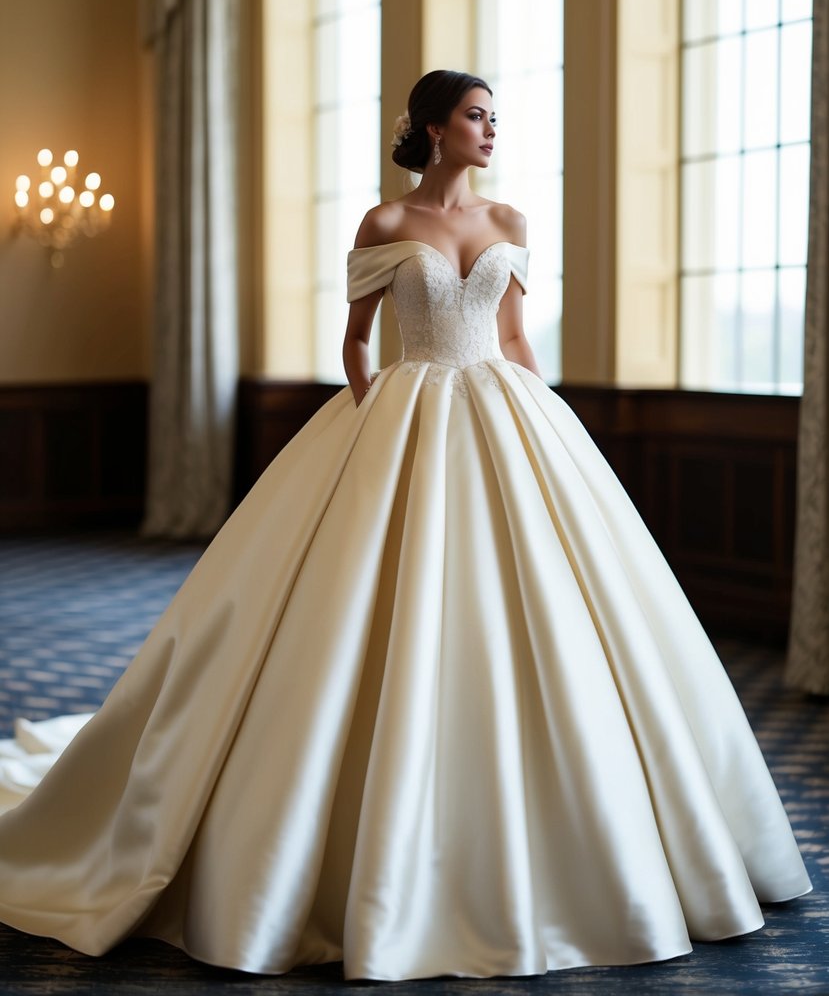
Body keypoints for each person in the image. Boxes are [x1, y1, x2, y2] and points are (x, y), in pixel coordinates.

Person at [0, 70, 812, 982]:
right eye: (475, 116)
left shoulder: (510, 223)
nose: (490, 129)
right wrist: (364, 409)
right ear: (430, 128)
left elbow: (509, 337)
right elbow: (355, 338)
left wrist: (546, 422)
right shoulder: (385, 225)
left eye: (495, 117)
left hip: (507, 414)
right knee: (368, 602)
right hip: (404, 410)